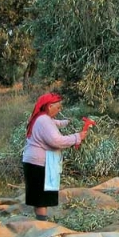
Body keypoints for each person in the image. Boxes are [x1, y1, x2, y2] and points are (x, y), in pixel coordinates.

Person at [22, 93, 86, 221]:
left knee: (42, 195)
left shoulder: (42, 117)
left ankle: (41, 219)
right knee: (41, 197)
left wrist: (70, 122)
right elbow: (56, 141)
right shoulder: (44, 120)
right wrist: (77, 137)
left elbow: (56, 123)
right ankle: (42, 223)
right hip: (38, 163)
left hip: (40, 161)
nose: (59, 110)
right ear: (49, 106)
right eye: (58, 107)